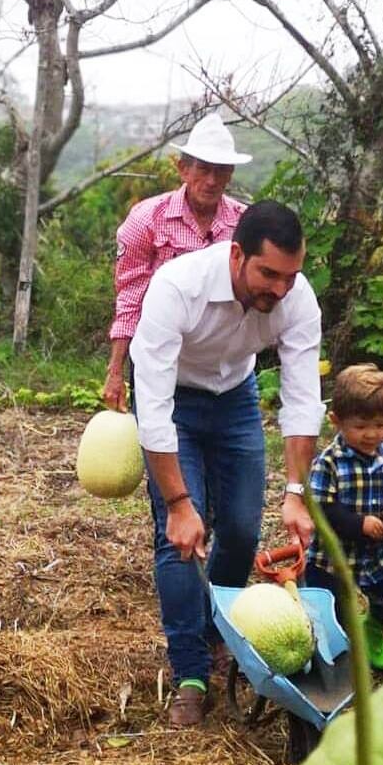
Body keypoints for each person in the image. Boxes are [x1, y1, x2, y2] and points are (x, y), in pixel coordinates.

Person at [130, 200, 324, 726]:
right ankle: (190, 671)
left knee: (239, 529)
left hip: (235, 398)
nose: (279, 289)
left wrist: (295, 495)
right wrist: (177, 502)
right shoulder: (177, 286)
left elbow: (303, 399)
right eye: (268, 274)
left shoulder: (296, 298)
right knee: (181, 537)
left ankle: (219, 632)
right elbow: (151, 408)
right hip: (175, 402)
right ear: (237, 254)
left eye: (290, 276)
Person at [103, 112, 252, 412]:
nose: (211, 181)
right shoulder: (147, 220)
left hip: (226, 373)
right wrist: (116, 371)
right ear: (183, 169)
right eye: (203, 169)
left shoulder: (245, 224)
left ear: (230, 174)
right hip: (161, 365)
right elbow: (131, 299)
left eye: (220, 171)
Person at [304, 363, 383, 672]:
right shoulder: (330, 462)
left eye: (380, 424)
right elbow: (321, 508)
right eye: (361, 425)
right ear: (336, 421)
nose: (371, 434)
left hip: (375, 555)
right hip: (332, 557)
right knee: (330, 618)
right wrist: (359, 524)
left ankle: (372, 631)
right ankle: (331, 660)